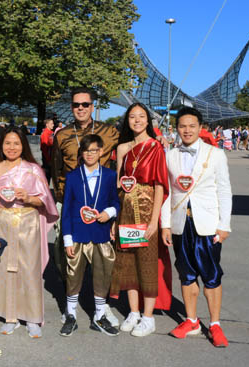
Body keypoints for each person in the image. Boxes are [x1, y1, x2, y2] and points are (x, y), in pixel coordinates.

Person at [160, 107, 232, 348]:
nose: (187, 130)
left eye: (191, 125)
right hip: (181, 223)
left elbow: (224, 190)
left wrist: (224, 225)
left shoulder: (216, 154)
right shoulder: (169, 155)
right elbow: (166, 192)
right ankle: (191, 320)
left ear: (200, 127)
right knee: (186, 273)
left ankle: (215, 324)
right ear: (176, 128)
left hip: (208, 225)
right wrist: (165, 224)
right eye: (182, 126)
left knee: (211, 275)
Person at [51, 87, 121, 326]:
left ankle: (102, 306)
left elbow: (127, 148)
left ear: (92, 106)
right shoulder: (62, 135)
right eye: (75, 105)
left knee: (102, 257)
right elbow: (56, 168)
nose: (80, 108)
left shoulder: (109, 132)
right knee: (67, 255)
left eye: (84, 104)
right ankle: (71, 304)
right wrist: (60, 201)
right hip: (71, 202)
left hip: (101, 203)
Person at [0, 126, 59, 338]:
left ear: (23, 145)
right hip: (1, 223)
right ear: (1, 145)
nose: (12, 147)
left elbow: (45, 201)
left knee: (29, 270)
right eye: (7, 143)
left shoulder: (34, 169)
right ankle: (10, 316)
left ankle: (33, 317)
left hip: (28, 223)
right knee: (4, 268)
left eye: (16, 143)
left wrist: (28, 198)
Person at [109, 103, 172, 337]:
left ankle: (148, 317)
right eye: (132, 116)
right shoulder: (123, 148)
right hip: (126, 210)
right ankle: (133, 311)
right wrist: (115, 220)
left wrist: (154, 221)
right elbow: (118, 186)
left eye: (141, 116)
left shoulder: (156, 147)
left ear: (148, 121)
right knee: (127, 264)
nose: (137, 120)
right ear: (127, 121)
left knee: (146, 265)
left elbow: (159, 186)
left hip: (146, 212)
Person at [59, 134, 120, 337]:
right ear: (81, 153)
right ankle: (70, 315)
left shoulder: (110, 176)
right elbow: (66, 210)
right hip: (77, 235)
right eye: (86, 151)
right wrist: (67, 238)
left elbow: (116, 202)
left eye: (94, 150)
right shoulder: (73, 177)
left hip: (101, 235)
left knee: (102, 276)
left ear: (101, 151)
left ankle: (100, 315)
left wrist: (109, 213)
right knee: (73, 275)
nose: (90, 154)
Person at [40, 119, 54, 184]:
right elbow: (44, 148)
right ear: (47, 124)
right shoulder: (45, 133)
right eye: (51, 123)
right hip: (48, 157)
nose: (53, 125)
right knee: (47, 176)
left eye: (53, 123)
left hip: (50, 156)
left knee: (49, 175)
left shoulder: (51, 133)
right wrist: (48, 160)